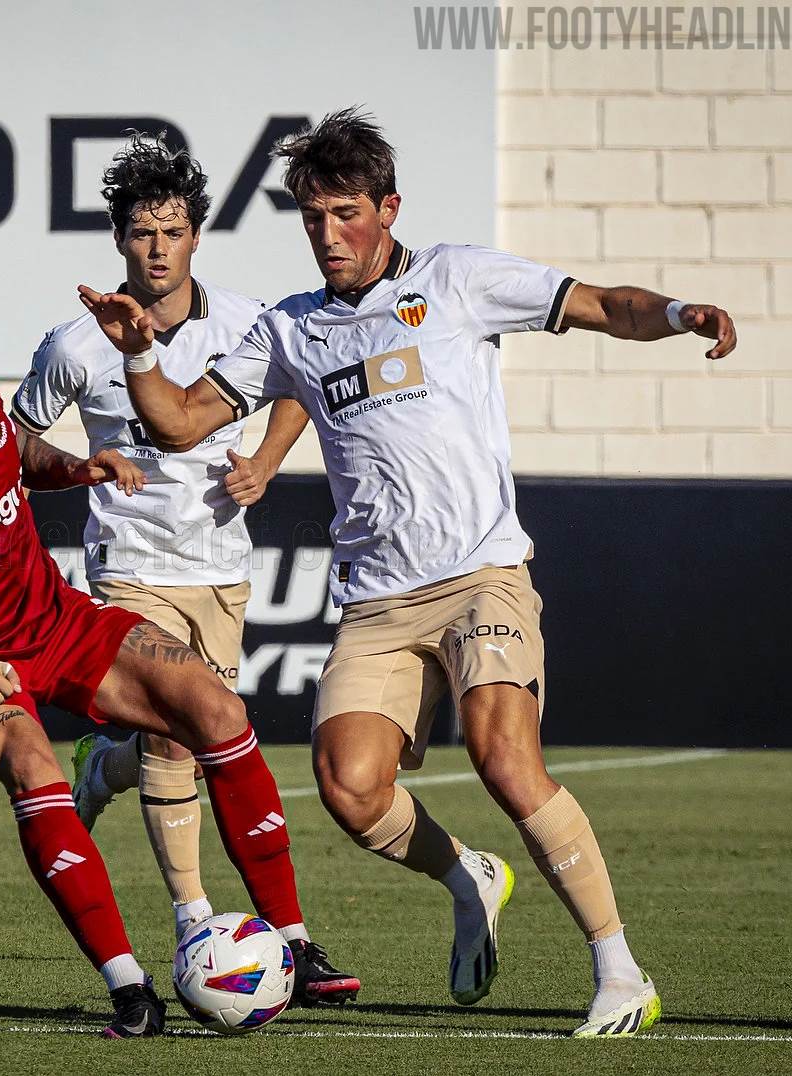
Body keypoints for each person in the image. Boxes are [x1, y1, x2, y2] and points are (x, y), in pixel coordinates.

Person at [78, 108, 737, 1039]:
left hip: (482, 576)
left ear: (389, 207)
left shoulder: (459, 280)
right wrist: (138, 348)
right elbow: (181, 422)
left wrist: (677, 315)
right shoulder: (291, 330)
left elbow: (600, 305)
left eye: (344, 212)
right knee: (348, 787)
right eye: (311, 217)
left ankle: (620, 968)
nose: (327, 235)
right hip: (379, 603)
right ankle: (466, 874)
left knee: (506, 759)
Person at [0, 264, 357, 1038]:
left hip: (52, 617)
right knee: (32, 766)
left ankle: (290, 940)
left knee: (215, 708)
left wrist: (77, 468)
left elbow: (8, 446)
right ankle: (129, 990)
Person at [12, 134, 312, 944]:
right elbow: (11, 441)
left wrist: (268, 461)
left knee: (195, 735)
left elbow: (301, 383)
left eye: (171, 232)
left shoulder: (249, 321)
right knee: (173, 740)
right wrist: (83, 467)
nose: (156, 248)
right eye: (141, 233)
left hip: (219, 562)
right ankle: (195, 922)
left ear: (196, 238)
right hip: (130, 564)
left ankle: (101, 766)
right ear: (118, 239)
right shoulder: (74, 342)